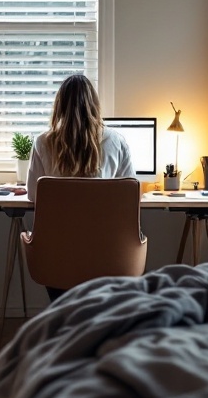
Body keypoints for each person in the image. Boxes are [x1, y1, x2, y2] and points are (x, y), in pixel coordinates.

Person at [26, 73, 136, 302]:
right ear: (94, 105)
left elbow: (34, 194)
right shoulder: (116, 140)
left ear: (59, 105)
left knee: (52, 248)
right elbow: (131, 193)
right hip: (108, 252)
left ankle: (64, 314)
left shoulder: (42, 142)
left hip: (56, 254)